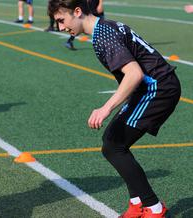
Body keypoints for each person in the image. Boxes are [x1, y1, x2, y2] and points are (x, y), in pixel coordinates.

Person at [48, 0, 181, 217]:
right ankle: (137, 204)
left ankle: (154, 208)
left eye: (62, 20)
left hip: (158, 89)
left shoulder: (102, 36)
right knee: (112, 142)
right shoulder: (105, 26)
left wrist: (105, 108)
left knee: (114, 146)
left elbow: (134, 74)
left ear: (78, 11)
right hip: (150, 87)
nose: (62, 28)